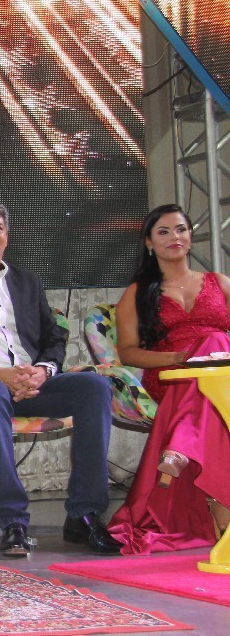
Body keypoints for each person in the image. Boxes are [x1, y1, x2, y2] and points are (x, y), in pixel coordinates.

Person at [0, 200, 121, 557]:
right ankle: (13, 521)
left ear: (7, 236)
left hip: (33, 382)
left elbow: (53, 338)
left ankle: (85, 514)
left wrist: (42, 371)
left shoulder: (27, 281)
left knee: (95, 386)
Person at [108, 204, 230, 554]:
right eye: (163, 232)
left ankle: (181, 448)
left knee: (216, 343)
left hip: (221, 377)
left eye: (181, 229)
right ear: (149, 243)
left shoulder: (220, 283)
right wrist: (177, 359)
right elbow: (128, 353)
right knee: (211, 358)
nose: (174, 237)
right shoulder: (138, 293)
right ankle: (219, 506)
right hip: (172, 376)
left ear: (190, 237)